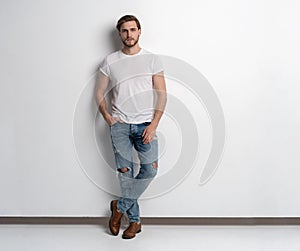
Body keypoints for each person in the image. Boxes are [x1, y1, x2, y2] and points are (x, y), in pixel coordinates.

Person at [96, 15, 167, 239]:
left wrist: (154, 124)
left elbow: (162, 95)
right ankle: (134, 223)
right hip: (120, 126)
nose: (129, 34)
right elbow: (99, 92)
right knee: (126, 175)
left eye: (133, 30)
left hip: (146, 125)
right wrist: (107, 116)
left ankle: (119, 207)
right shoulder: (110, 61)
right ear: (120, 34)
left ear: (139, 32)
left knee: (150, 170)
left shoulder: (152, 59)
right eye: (125, 31)